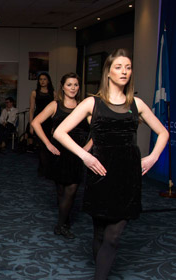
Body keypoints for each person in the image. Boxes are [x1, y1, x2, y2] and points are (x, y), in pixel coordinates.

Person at [54, 49, 168, 280]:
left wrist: (154, 156)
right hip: (100, 174)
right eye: (118, 67)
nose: (124, 71)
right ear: (107, 72)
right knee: (99, 233)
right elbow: (59, 132)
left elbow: (163, 133)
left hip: (128, 176)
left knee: (113, 237)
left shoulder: (136, 103)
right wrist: (84, 156)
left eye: (127, 67)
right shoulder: (91, 103)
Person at [31, 73, 90, 239]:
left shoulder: (84, 106)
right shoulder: (55, 105)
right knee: (61, 190)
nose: (72, 88)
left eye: (76, 85)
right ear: (63, 86)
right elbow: (35, 122)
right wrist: (48, 144)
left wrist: (86, 148)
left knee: (72, 189)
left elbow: (96, 129)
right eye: (69, 84)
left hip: (76, 152)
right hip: (58, 152)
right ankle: (64, 220)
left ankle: (61, 225)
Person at [29, 73, 55, 175]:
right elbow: (31, 109)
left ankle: (44, 168)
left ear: (48, 80)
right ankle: (44, 169)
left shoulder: (54, 93)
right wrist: (31, 124)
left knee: (48, 145)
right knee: (41, 146)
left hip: (49, 122)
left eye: (44, 79)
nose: (42, 81)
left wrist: (55, 125)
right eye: (40, 79)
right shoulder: (34, 93)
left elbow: (55, 111)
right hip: (38, 122)